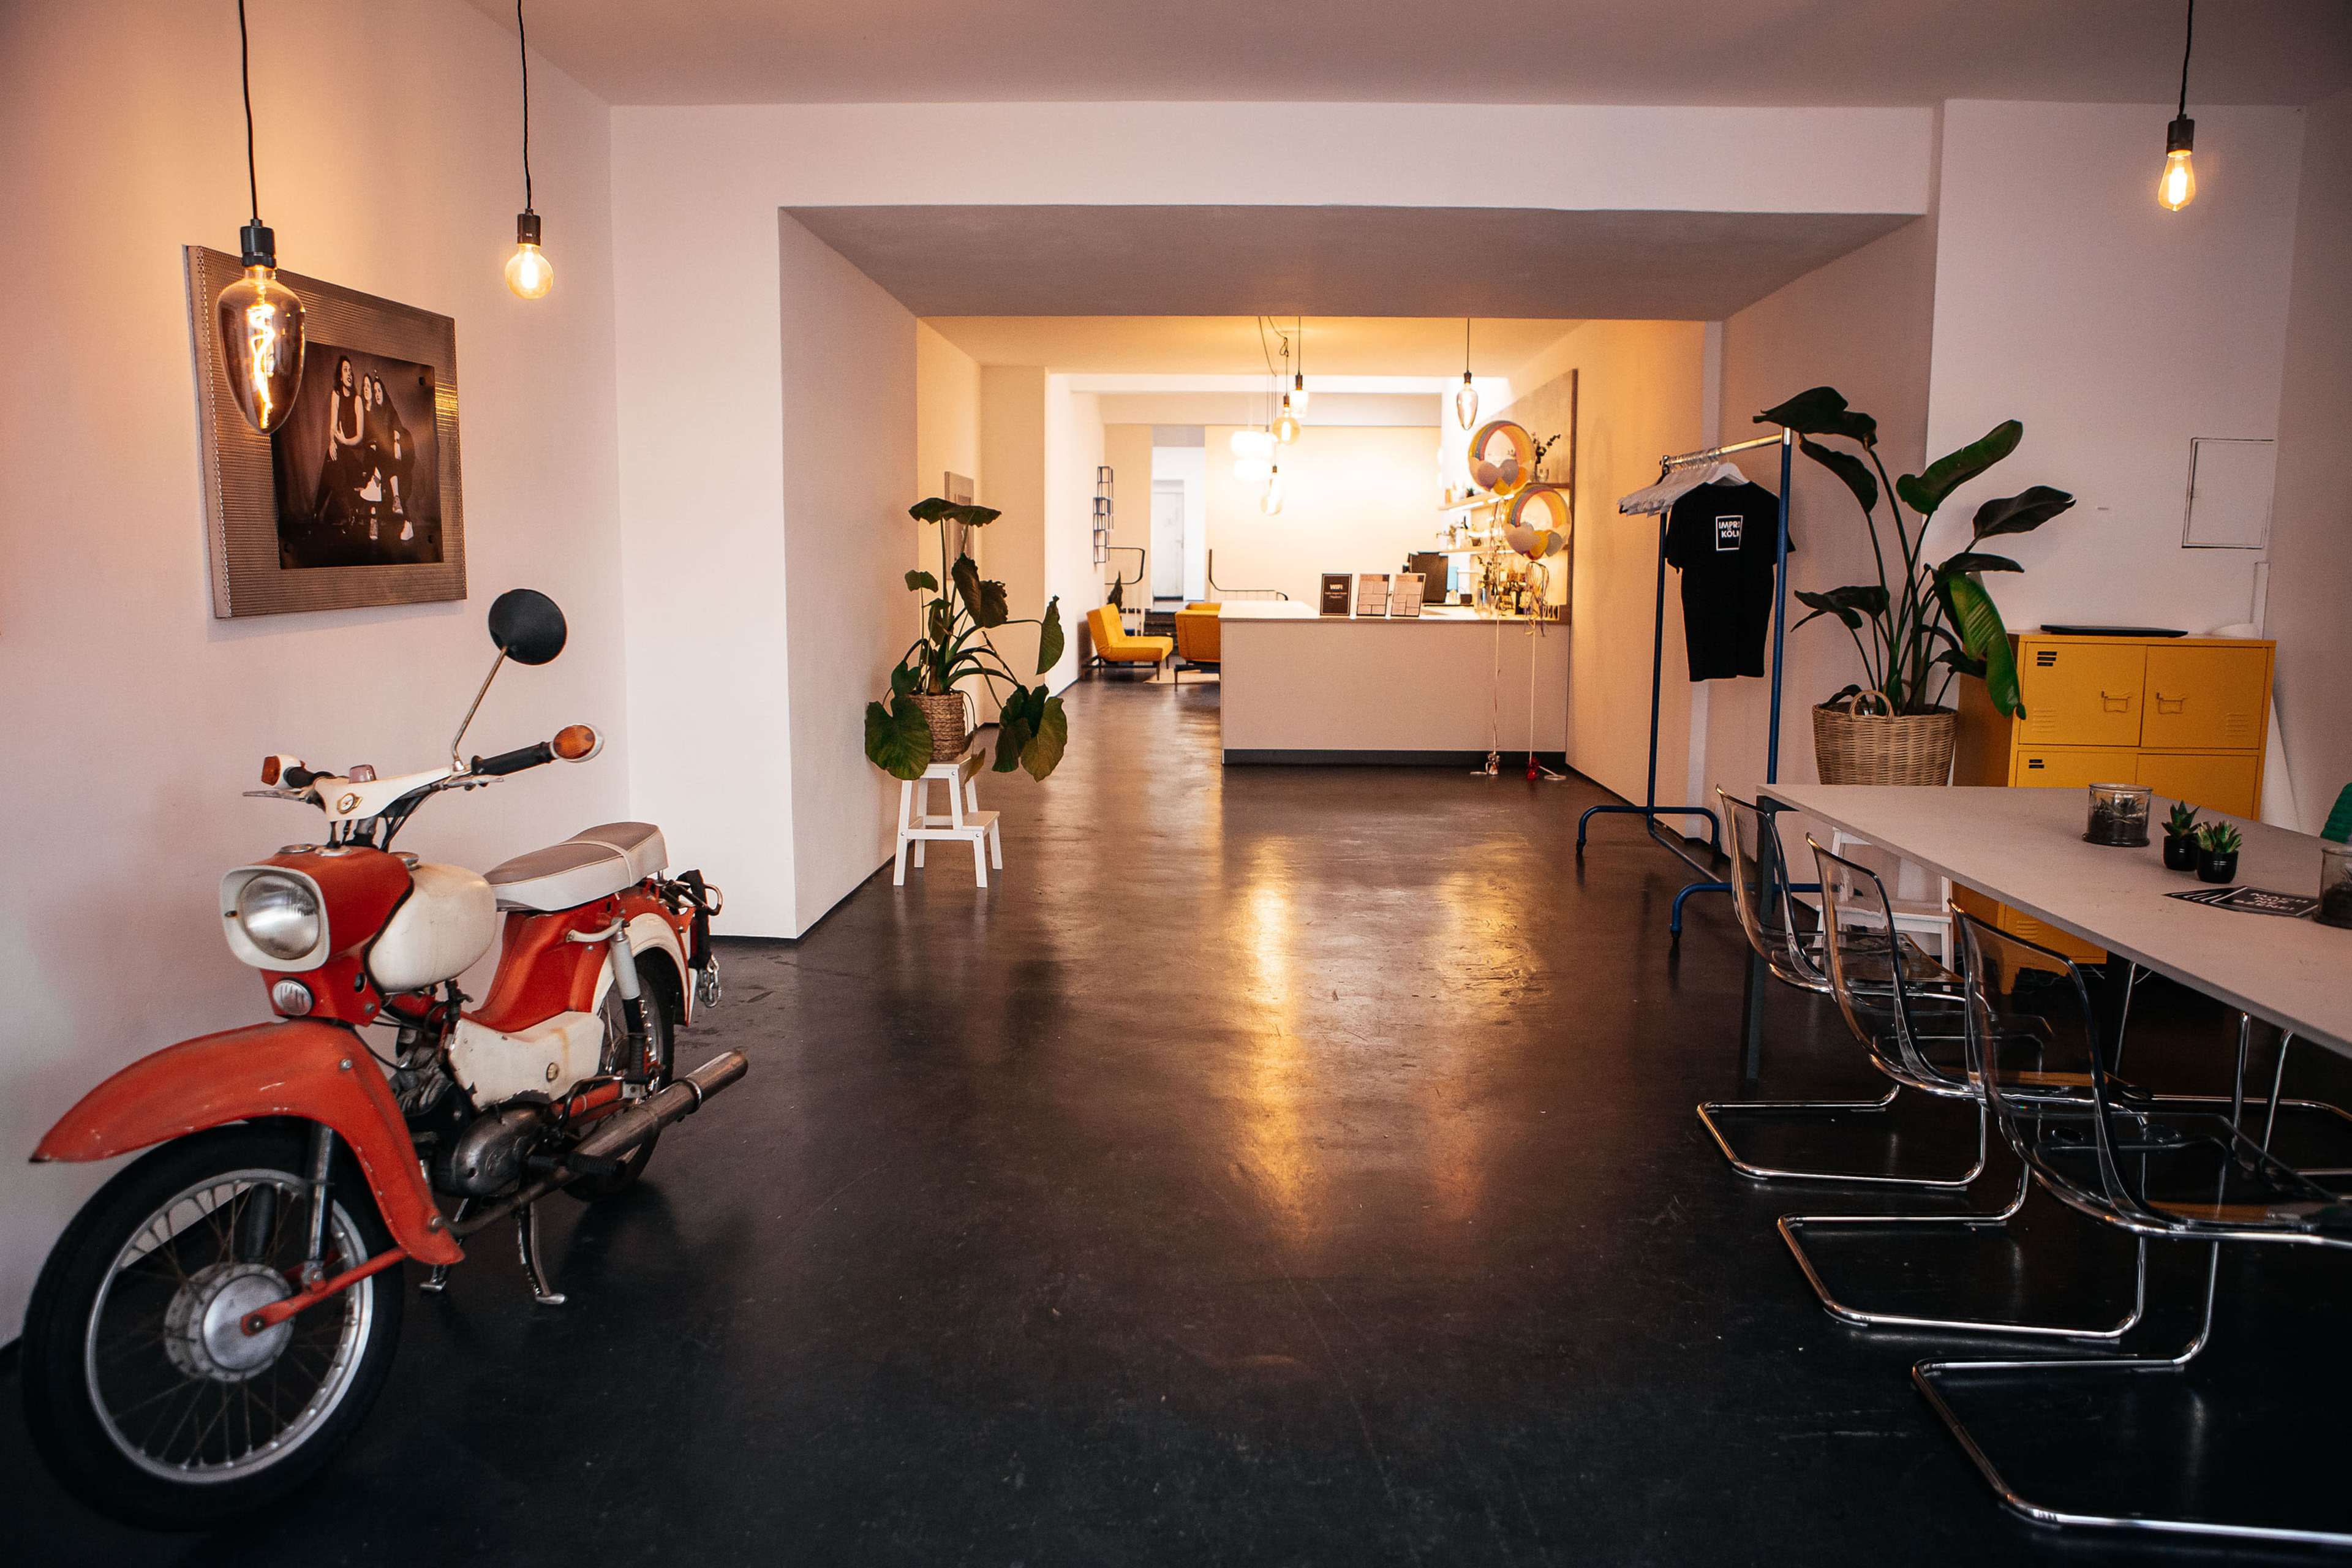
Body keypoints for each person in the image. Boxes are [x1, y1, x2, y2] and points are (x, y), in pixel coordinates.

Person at [308, 355, 364, 530]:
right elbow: (333, 425)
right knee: (331, 459)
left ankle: (319, 514)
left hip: (354, 450)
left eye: (351, 371)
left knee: (334, 464)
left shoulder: (358, 400)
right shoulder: (337, 394)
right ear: (340, 376)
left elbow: (360, 436)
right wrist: (332, 442)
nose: (349, 374)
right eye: (346, 370)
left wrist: (344, 441)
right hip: (340, 448)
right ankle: (346, 514)